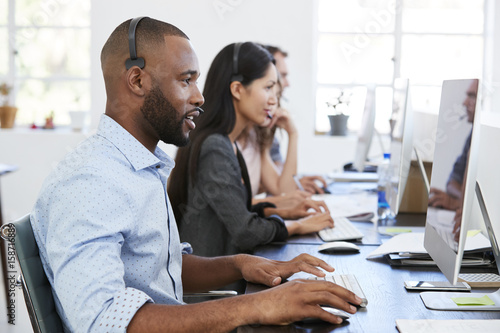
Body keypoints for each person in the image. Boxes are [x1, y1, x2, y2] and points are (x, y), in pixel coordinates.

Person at [30, 18, 362, 332]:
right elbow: (103, 321)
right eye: (186, 80)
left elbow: (162, 268)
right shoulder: (91, 180)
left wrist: (240, 264)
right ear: (137, 81)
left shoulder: (139, 167)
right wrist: (256, 306)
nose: (199, 96)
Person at [168, 42, 335, 260]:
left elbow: (238, 210)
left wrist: (280, 212)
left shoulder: (228, 142)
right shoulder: (215, 146)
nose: (274, 99)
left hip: (226, 271)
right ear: (237, 89)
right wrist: (296, 226)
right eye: (268, 88)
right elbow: (245, 231)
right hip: (215, 287)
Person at [428, 79, 478, 211]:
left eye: (472, 96)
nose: (464, 102)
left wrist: (461, 202)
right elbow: (452, 182)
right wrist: (461, 201)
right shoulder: (473, 135)